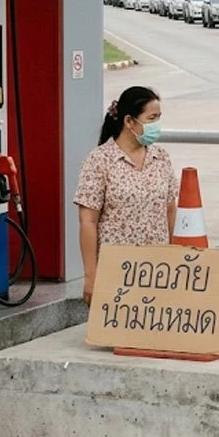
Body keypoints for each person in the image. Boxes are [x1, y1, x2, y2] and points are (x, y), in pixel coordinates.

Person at [74, 86, 179, 304]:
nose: (157, 125)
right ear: (129, 121)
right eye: (151, 118)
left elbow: (170, 209)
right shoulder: (100, 160)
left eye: (159, 117)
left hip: (156, 270)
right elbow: (88, 221)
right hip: (116, 272)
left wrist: (173, 257)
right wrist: (90, 277)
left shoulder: (161, 158)